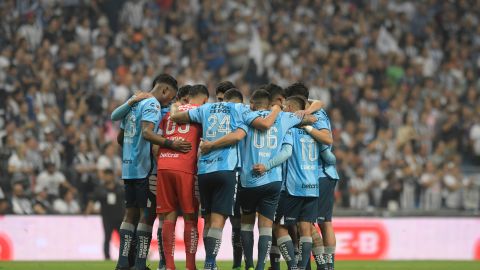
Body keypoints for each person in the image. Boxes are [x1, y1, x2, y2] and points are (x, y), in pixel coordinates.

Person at [199, 90, 319, 270]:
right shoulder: (284, 118)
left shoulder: (247, 117)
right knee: (266, 227)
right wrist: (299, 115)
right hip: (272, 180)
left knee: (246, 224)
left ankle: (248, 264)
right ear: (270, 103)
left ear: (253, 104)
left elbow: (237, 135)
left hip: (249, 180)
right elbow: (312, 120)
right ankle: (261, 267)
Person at [171, 88, 281, 270]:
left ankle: (210, 264)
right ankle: (209, 263)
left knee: (206, 219)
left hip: (204, 171)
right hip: (226, 170)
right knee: (218, 221)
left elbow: (176, 117)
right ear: (238, 101)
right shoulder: (239, 109)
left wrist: (175, 106)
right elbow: (245, 132)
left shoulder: (205, 109)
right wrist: (276, 108)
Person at [113, 73, 191, 270]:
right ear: (164, 90)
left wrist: (133, 147)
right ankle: (140, 264)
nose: (170, 101)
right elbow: (148, 134)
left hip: (128, 168)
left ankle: (123, 263)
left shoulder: (134, 105)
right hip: (144, 169)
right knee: (147, 216)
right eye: (171, 96)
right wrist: (170, 143)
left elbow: (120, 139)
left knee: (129, 215)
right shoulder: (153, 105)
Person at [156, 84, 209, 270]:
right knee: (189, 216)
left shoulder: (169, 113)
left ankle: (169, 266)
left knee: (168, 216)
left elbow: (156, 145)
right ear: (204, 99)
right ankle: (190, 266)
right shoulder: (201, 111)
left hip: (164, 165)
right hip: (185, 168)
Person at [272, 96, 320, 270]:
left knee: (279, 227)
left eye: (285, 107)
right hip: (313, 187)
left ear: (291, 108)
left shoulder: (289, 131)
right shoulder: (315, 132)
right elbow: (328, 156)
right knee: (305, 229)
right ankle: (302, 266)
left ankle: (293, 266)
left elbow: (286, 153)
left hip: (293, 187)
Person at [214, 80, 244, 270]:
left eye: (222, 99)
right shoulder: (212, 114)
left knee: (237, 222)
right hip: (214, 170)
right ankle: (212, 262)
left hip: (237, 172)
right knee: (215, 219)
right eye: (217, 99)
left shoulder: (242, 113)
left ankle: (236, 263)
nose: (219, 103)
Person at [85, 169, 125, 260]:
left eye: (108, 175)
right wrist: (88, 210)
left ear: (112, 176)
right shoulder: (100, 189)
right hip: (107, 218)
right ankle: (107, 257)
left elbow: (127, 200)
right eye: (105, 175)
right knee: (107, 238)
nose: (107, 177)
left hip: (120, 217)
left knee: (123, 239)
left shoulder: (119, 188)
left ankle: (125, 256)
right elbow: (92, 200)